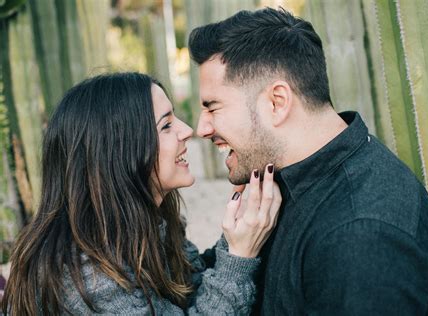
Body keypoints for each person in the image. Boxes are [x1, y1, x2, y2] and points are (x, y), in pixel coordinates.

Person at [188, 7, 428, 315]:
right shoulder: (275, 184)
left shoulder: (361, 238)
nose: (202, 128)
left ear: (277, 102)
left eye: (213, 107)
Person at [2, 72, 281, 315]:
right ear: (120, 152)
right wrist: (239, 255)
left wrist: (238, 235)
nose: (187, 131)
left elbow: (194, 286)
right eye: (167, 125)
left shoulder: (142, 226)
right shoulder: (87, 277)